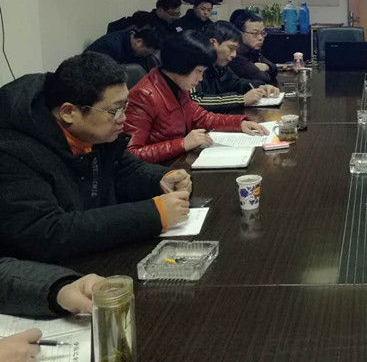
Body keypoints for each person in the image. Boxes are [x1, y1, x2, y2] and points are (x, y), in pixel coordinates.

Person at [0, 52, 193, 263]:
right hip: (51, 273)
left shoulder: (94, 132)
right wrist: (153, 214)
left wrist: (162, 179)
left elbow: (123, 169)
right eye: (114, 110)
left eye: (125, 106)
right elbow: (46, 233)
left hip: (96, 255)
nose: (123, 118)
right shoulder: (12, 152)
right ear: (68, 112)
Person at [124, 31, 269, 165]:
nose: (200, 78)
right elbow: (130, 154)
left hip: (180, 162)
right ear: (181, 65)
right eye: (198, 71)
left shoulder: (177, 85)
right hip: (162, 171)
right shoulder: (144, 95)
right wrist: (182, 144)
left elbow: (202, 117)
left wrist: (239, 124)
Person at [190, 21, 279, 111]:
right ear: (213, 43)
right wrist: (241, 99)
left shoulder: (220, 64)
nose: (234, 54)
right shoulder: (194, 63)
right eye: (231, 48)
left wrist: (260, 87)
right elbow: (195, 100)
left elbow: (236, 83)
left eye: (236, 49)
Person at [228, 11, 278, 85]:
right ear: (240, 34)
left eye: (262, 33)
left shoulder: (254, 50)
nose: (260, 38)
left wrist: (266, 66)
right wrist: (265, 70)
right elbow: (262, 78)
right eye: (255, 33)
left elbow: (275, 68)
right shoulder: (235, 54)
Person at [106, 0, 182, 41]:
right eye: (172, 14)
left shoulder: (175, 24)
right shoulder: (143, 20)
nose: (176, 17)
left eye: (178, 14)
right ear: (160, 10)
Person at [85, 27, 162, 68]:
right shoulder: (112, 45)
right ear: (138, 41)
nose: (144, 56)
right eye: (145, 53)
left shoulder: (130, 47)